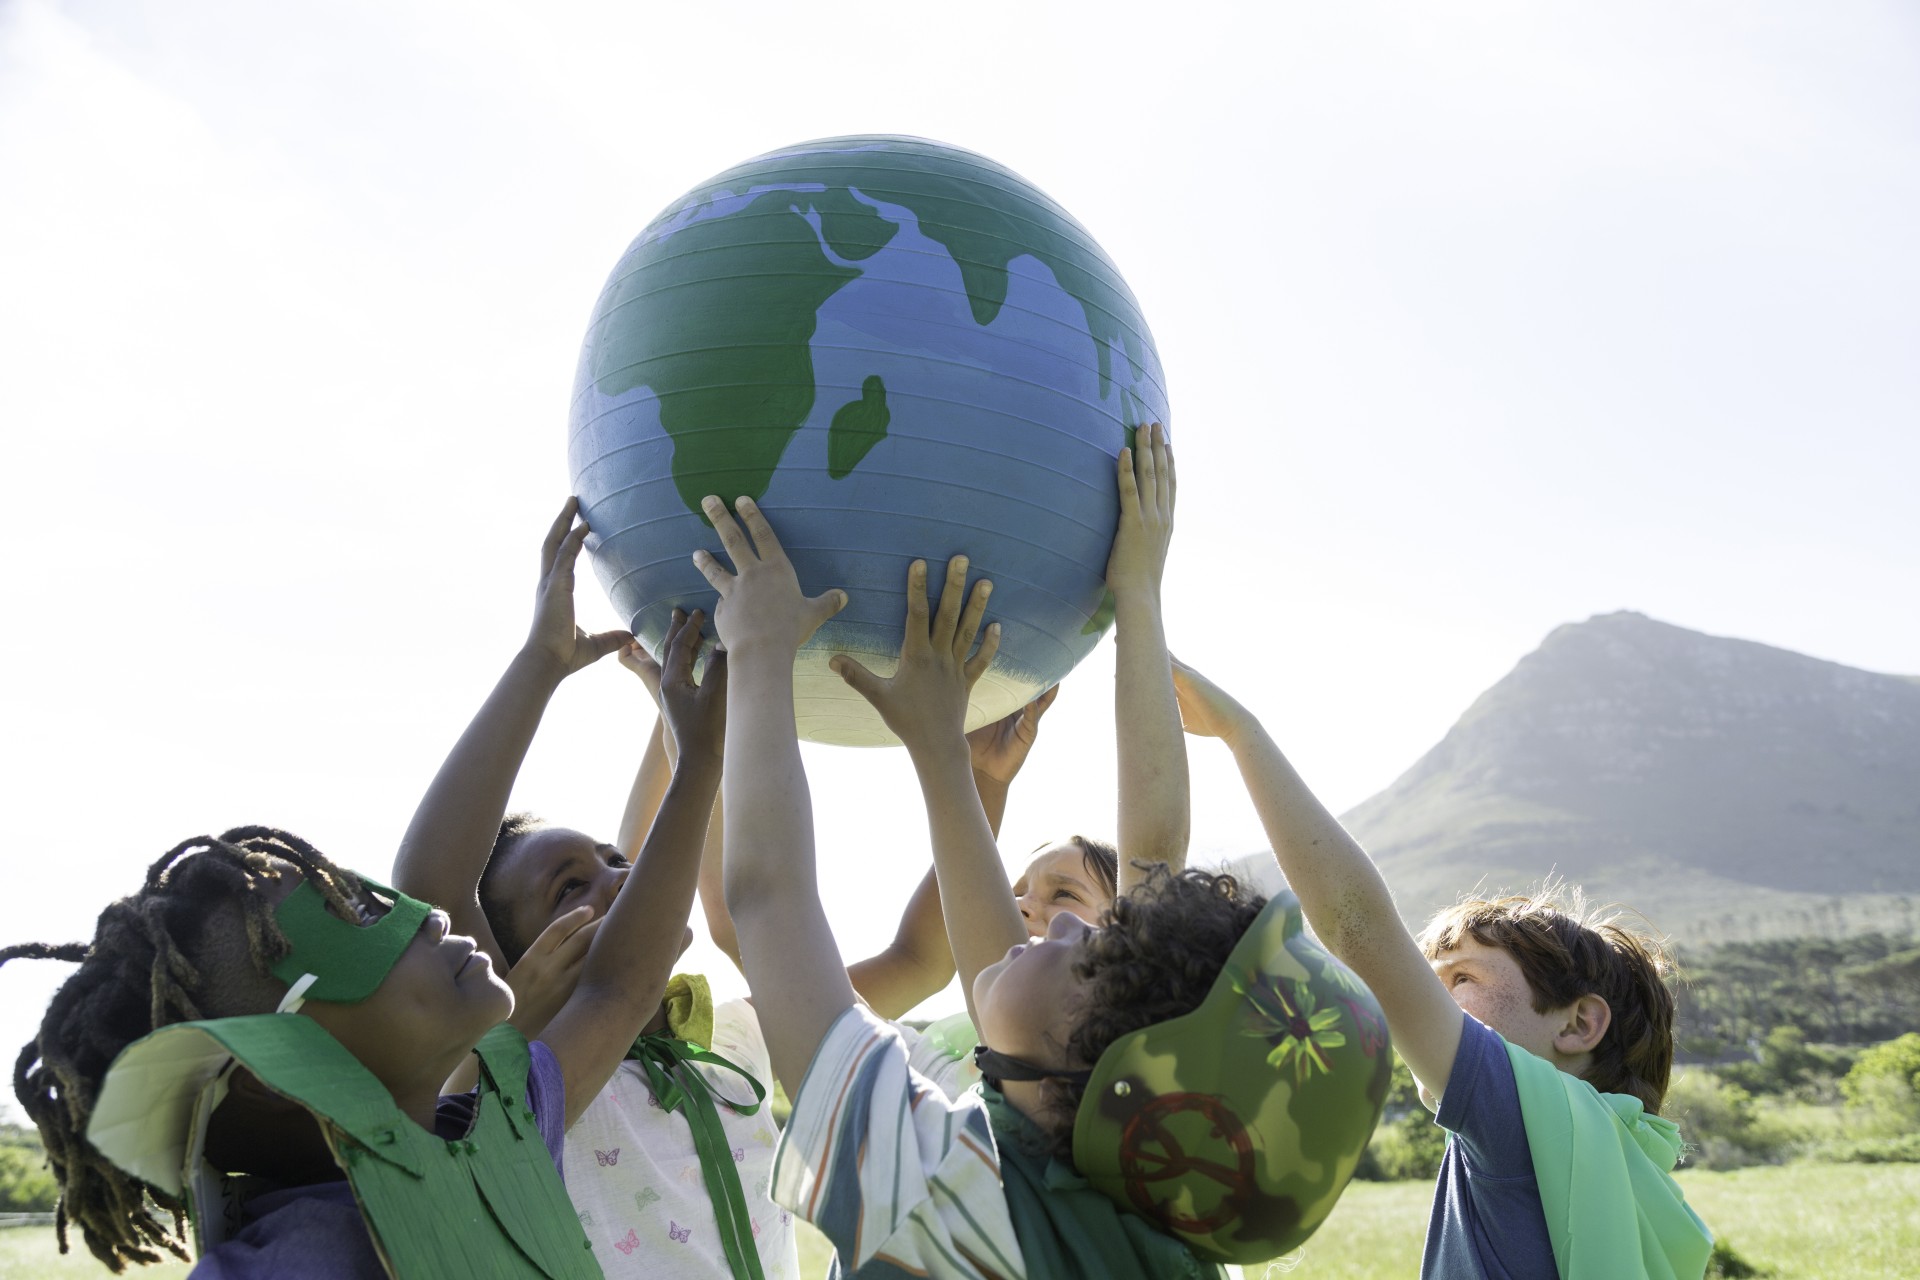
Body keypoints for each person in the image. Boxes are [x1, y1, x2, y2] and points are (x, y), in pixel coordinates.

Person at [703, 424, 1386, 1278]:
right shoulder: (1145, 1221)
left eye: (1089, 952)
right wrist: (946, 756)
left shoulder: (939, 1189)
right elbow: (1059, 957)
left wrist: (759, 653)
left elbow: (769, 899)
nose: (1055, 931)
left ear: (1102, 1088)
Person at [2, 499, 728, 1277]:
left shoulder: (499, 1137)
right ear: (276, 1075)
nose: (415, 918)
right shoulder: (286, 1263)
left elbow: (621, 987)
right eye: (354, 929)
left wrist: (574, 680)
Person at [393, 593, 1052, 1279]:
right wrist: (542, 666)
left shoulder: (733, 1042)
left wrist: (981, 779)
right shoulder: (510, 1076)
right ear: (504, 962)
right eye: (568, 888)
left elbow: (918, 960)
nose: (621, 879)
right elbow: (437, 884)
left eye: (619, 863)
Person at [1166, 656, 1716, 1280]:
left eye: (1461, 978)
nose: (1418, 1003)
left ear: (1578, 1025)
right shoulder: (1620, 1160)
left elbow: (1356, 926)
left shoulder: (1525, 1122)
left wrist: (1243, 733)